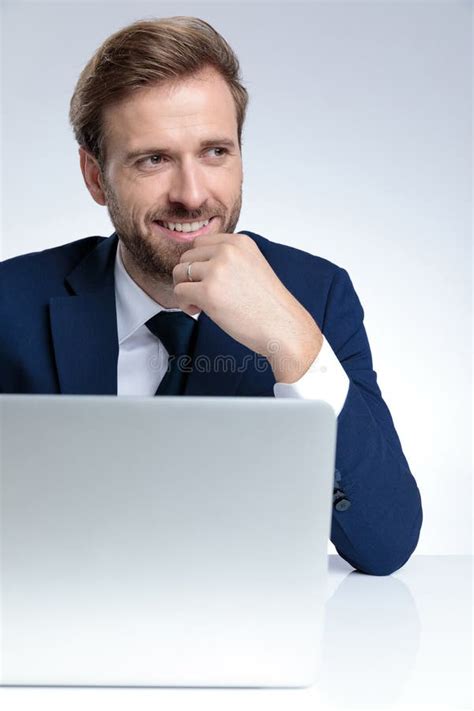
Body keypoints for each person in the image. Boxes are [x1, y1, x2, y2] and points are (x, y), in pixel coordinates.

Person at [0, 16, 422, 575]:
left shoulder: (316, 294)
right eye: (153, 159)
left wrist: (293, 342)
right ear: (95, 176)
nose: (192, 195)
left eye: (215, 152)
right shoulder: (11, 304)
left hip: (244, 645)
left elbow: (385, 541)